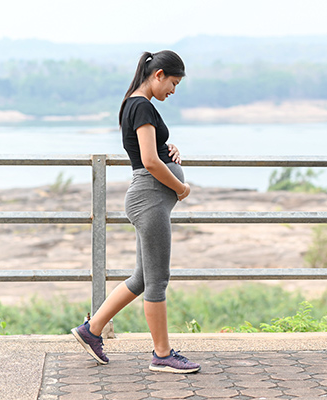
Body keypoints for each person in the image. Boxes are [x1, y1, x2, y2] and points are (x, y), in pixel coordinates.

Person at [71, 50, 200, 374]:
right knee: (158, 281)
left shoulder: (136, 104)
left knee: (142, 278)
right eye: (173, 82)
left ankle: (92, 329)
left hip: (150, 198)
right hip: (150, 199)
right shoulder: (141, 105)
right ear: (158, 75)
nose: (173, 90)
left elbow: (154, 152)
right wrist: (181, 188)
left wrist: (170, 149)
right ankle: (162, 354)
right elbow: (150, 161)